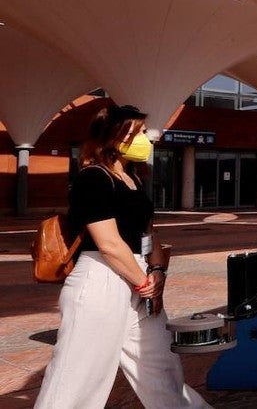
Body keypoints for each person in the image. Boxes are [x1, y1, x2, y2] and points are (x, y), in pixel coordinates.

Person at [35, 104, 210, 409]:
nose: (146, 137)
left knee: (160, 366)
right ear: (114, 136)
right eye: (139, 132)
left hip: (138, 277)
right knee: (79, 377)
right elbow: (109, 244)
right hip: (101, 279)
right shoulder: (92, 178)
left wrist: (156, 270)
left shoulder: (135, 180)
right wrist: (144, 283)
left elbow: (148, 234)